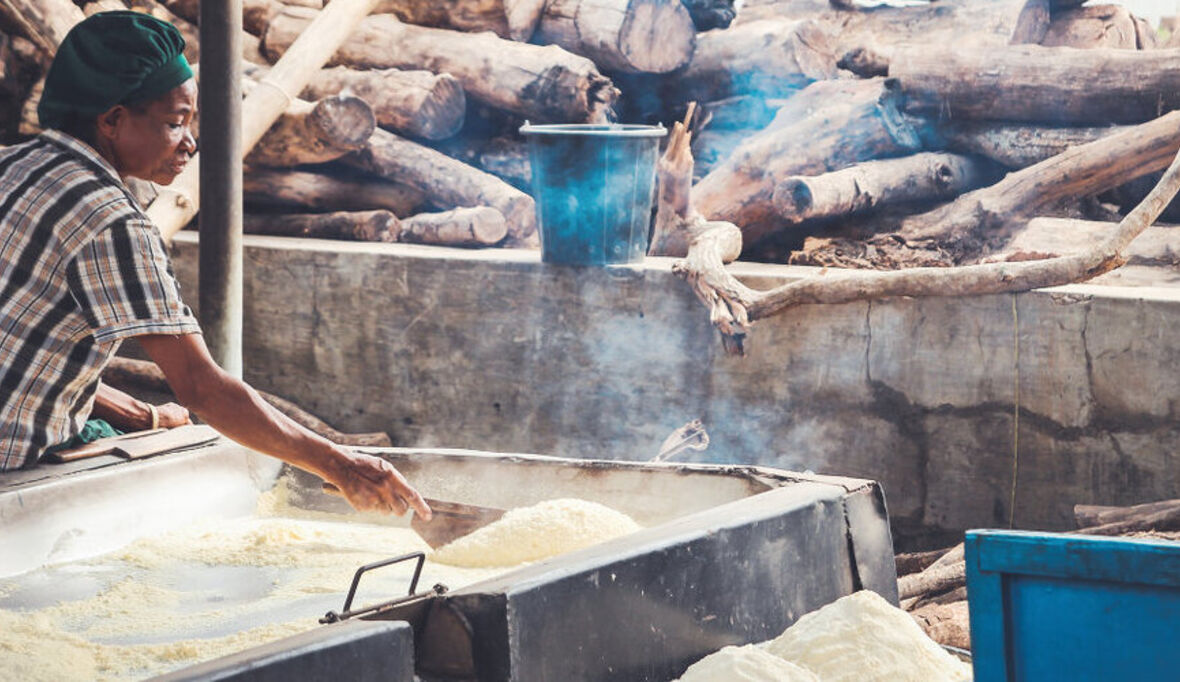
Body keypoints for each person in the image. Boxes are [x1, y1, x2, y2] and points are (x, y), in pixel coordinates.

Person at [0, 11, 430, 519]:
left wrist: (140, 413)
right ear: (111, 120)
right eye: (174, 122)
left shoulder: (14, 165)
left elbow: (22, 353)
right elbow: (202, 387)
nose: (190, 142)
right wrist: (340, 465)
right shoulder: (110, 223)